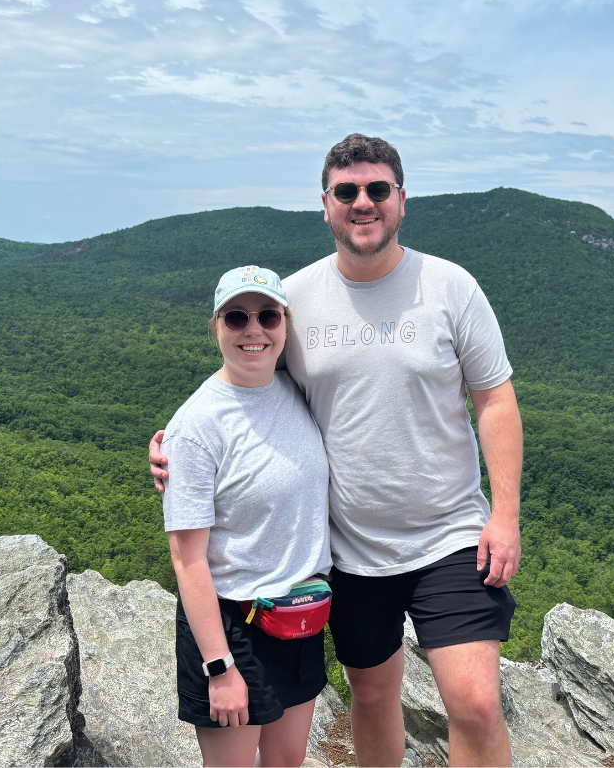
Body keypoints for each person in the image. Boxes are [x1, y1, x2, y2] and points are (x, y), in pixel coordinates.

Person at [152, 134, 523, 768]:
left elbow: (496, 400)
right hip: (348, 549)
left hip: (450, 533)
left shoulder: (450, 286)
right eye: (346, 191)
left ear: (401, 200)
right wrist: (175, 441)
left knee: (476, 703)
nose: (363, 202)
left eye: (378, 190)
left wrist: (505, 516)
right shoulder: (294, 302)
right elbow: (252, 382)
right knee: (372, 694)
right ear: (325, 205)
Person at [161, 265, 332, 768]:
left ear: (285, 323)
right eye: (236, 317)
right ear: (216, 326)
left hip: (298, 613)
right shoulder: (195, 428)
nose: (254, 329)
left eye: (267, 315)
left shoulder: (294, 388)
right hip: (232, 623)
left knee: (286, 763)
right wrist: (219, 667)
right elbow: (187, 558)